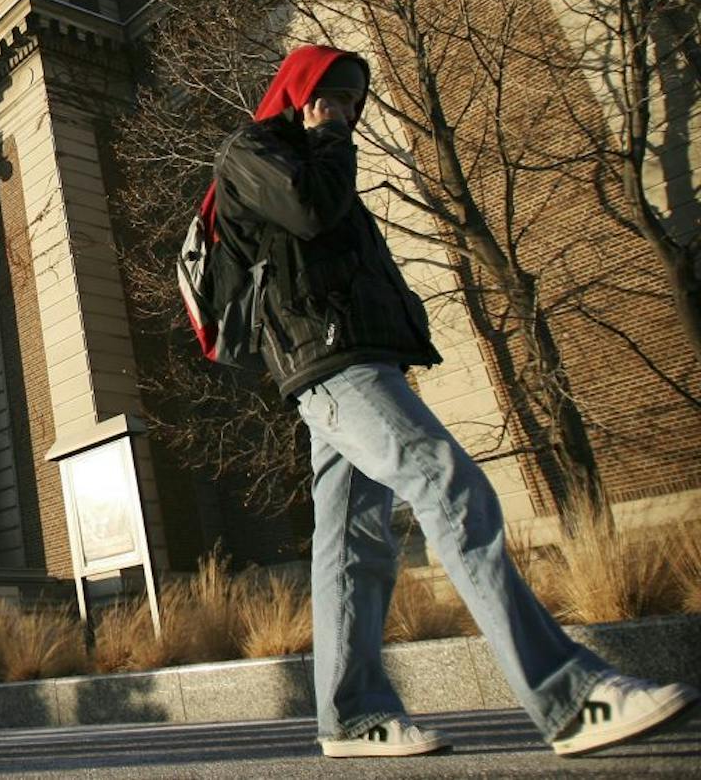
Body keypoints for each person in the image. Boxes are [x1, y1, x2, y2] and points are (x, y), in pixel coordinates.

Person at [212, 44, 697, 758]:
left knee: (350, 542)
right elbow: (310, 215)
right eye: (333, 95)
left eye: (353, 101)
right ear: (300, 92)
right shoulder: (251, 151)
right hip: (331, 364)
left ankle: (351, 718)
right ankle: (567, 697)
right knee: (447, 485)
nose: (345, 110)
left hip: (357, 360)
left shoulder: (320, 157)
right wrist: (327, 135)